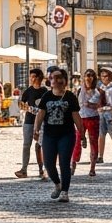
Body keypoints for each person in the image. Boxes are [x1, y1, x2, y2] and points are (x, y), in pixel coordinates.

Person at [33, 68, 82, 202]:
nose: (54, 80)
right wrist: (36, 129)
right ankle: (57, 184)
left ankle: (65, 191)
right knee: (48, 164)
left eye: (57, 77)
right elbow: (40, 114)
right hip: (49, 134)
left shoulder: (70, 96)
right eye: (52, 78)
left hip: (66, 134)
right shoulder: (47, 96)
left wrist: (82, 134)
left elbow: (76, 116)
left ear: (64, 80)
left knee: (64, 163)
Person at [15, 68, 48, 179]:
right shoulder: (28, 91)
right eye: (30, 77)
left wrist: (31, 108)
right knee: (26, 145)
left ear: (39, 77)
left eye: (33, 76)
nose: (31, 79)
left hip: (42, 122)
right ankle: (24, 169)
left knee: (41, 145)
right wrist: (22, 105)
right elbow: (21, 104)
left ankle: (42, 169)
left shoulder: (45, 91)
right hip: (29, 121)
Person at [72, 69, 105, 177]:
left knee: (94, 142)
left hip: (93, 118)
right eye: (87, 75)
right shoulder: (79, 90)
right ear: (84, 77)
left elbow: (100, 106)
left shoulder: (98, 91)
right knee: (76, 141)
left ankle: (92, 168)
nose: (89, 78)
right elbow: (77, 105)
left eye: (91, 76)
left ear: (94, 78)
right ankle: (73, 164)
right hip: (81, 118)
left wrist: (90, 105)